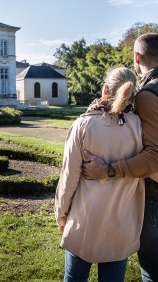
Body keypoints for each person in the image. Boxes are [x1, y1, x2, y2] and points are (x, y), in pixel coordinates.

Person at [55, 66, 144, 282]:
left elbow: (69, 178)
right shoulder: (140, 127)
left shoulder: (84, 124)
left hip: (84, 222)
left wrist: (61, 214)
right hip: (122, 224)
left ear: (105, 88)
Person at [82, 33, 158, 282]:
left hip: (155, 197)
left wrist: (110, 170)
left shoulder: (148, 94)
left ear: (137, 58)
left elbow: (154, 157)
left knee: (152, 269)